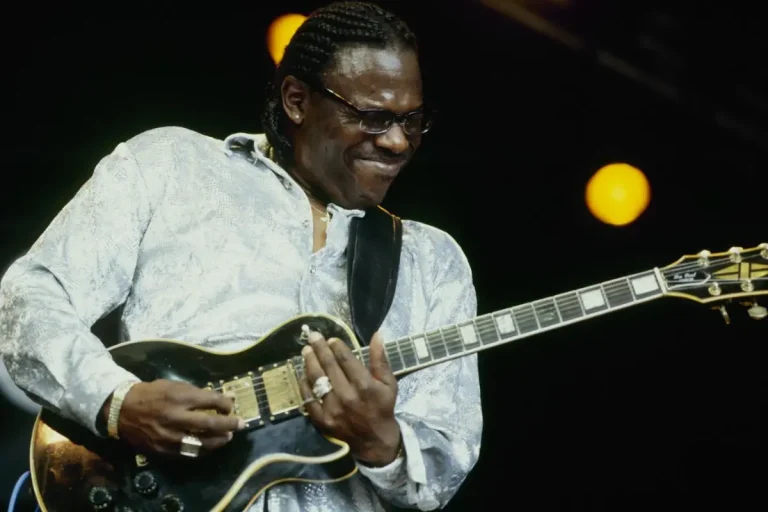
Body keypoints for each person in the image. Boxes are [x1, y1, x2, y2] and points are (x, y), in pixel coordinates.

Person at [0, 2, 482, 510]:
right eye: (373, 117)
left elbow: (444, 469)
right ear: (296, 99)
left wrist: (382, 444)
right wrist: (117, 401)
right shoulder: (169, 166)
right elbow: (28, 299)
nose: (396, 141)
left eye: (412, 120)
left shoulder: (433, 262)